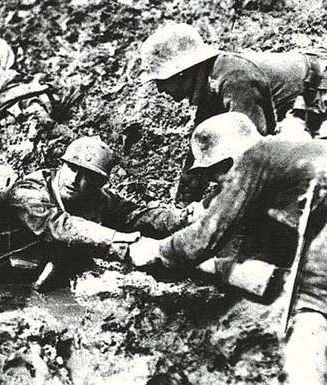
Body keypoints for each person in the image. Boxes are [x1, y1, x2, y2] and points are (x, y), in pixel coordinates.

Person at [129, 112, 327, 384]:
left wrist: (158, 251)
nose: (218, 182)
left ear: (228, 158)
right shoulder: (286, 151)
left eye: (215, 174)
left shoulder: (254, 159)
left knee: (310, 312)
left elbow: (205, 239)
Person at [0, 135, 194, 290]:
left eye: (88, 176)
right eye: (72, 168)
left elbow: (137, 215)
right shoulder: (28, 191)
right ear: (61, 165)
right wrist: (124, 246)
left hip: (29, 270)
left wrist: (183, 218)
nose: (76, 180)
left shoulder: (98, 199)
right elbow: (58, 225)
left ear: (100, 184)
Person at [139, 22, 327, 204]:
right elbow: (199, 152)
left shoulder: (235, 80)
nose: (160, 90)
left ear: (181, 73)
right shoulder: (209, 83)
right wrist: (182, 208)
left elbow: (252, 156)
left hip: (319, 90)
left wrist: (213, 207)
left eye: (161, 81)